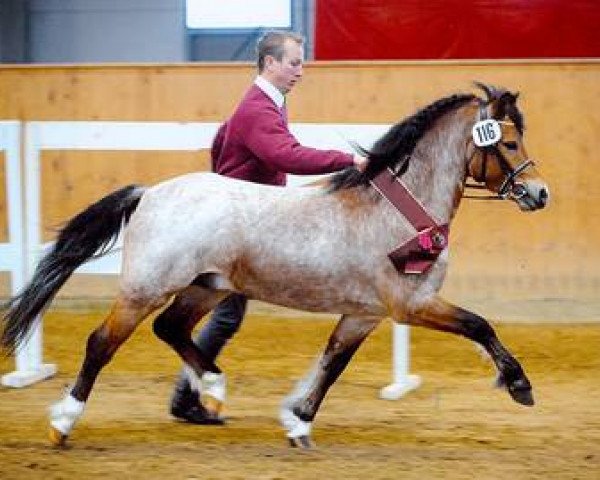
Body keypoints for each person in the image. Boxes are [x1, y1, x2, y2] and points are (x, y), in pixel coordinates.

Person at [170, 30, 367, 425]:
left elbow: (222, 140)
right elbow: (285, 154)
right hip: (239, 234)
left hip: (244, 226)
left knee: (220, 315)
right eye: (294, 62)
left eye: (301, 62)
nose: (301, 71)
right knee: (221, 316)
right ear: (270, 63)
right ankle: (185, 397)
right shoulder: (258, 108)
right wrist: (348, 161)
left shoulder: (264, 103)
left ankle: (186, 395)